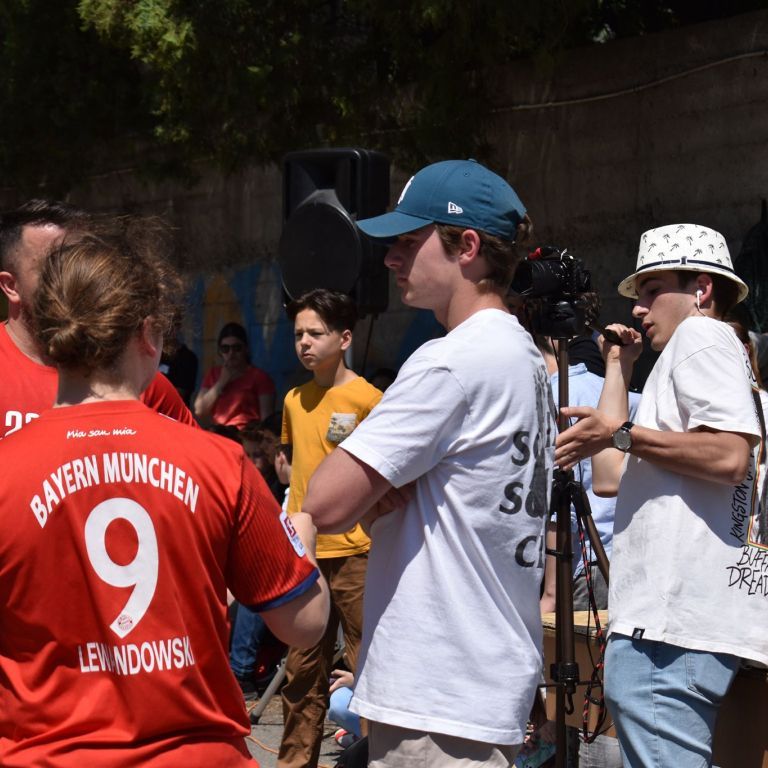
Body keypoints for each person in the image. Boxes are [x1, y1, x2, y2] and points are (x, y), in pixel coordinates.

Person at [0, 222, 330, 766]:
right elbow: (304, 622)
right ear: (148, 334)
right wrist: (303, 541)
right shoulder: (219, 463)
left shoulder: (8, 470)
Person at [301, 159, 556, 767]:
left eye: (410, 242)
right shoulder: (522, 355)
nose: (391, 259)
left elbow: (324, 502)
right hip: (482, 679)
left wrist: (374, 489)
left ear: (467, 247)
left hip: (436, 692)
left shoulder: (451, 360)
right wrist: (383, 490)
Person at [555, 223, 767, 768]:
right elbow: (609, 476)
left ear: (702, 289)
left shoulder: (700, 337)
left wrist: (622, 433)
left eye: (652, 290)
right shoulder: (717, 360)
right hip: (690, 625)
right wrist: (617, 368)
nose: (638, 308)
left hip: (670, 628)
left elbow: (729, 456)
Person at [277, 288, 382, 768]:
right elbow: (294, 465)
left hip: (358, 551)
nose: (304, 342)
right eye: (299, 333)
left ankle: (372, 759)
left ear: (344, 338)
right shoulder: (293, 400)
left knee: (370, 668)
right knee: (302, 672)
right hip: (304, 554)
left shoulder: (369, 399)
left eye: (315, 333)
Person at [0, 199, 197, 436]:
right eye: (53, 267)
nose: (72, 278)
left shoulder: (135, 375)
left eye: (83, 265)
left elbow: (195, 455)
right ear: (11, 286)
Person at [194, 322, 275, 428]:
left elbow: (266, 420)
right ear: (220, 351)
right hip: (220, 433)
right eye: (225, 349)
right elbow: (199, 410)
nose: (231, 353)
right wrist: (221, 382)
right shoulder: (213, 374)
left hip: (247, 434)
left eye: (237, 348)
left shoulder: (260, 377)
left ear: (246, 349)